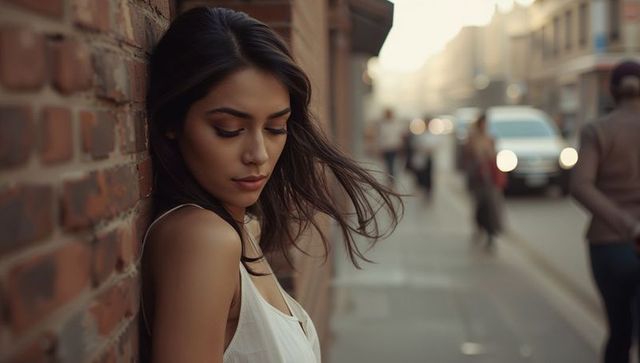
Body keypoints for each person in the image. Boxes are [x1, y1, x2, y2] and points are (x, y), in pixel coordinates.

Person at [140, 7, 402, 363]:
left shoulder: (242, 227)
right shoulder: (203, 239)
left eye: (276, 128)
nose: (259, 155)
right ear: (172, 120)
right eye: (228, 129)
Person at [570, 60, 640, 363]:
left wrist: (627, 226)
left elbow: (581, 186)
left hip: (609, 245)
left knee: (619, 332)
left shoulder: (597, 130)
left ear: (611, 91)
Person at [464, 113, 505, 250]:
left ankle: (490, 234)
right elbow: (469, 156)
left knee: (491, 207)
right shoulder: (472, 139)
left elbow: (494, 157)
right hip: (478, 178)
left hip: (490, 178)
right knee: (480, 206)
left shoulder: (490, 139)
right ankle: (479, 228)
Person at [376, 108, 403, 186]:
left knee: (392, 164)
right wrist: (380, 148)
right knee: (387, 164)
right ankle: (390, 179)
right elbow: (380, 137)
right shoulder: (382, 125)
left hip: (393, 147)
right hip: (386, 148)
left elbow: (398, 136)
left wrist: (399, 146)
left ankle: (391, 179)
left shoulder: (395, 124)